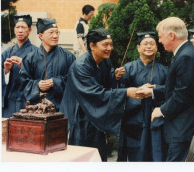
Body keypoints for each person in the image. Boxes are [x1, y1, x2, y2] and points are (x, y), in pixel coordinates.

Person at [60, 28, 141, 162]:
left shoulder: (105, 61)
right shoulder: (80, 66)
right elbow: (96, 93)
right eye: (105, 45)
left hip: (95, 116)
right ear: (92, 45)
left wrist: (113, 76)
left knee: (99, 157)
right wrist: (126, 92)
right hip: (79, 116)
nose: (110, 48)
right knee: (82, 158)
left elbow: (105, 83)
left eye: (111, 44)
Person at [147, 17, 194, 162]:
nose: (160, 41)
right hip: (184, 128)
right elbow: (182, 87)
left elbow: (182, 95)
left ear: (171, 36)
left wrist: (160, 110)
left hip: (183, 129)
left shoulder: (186, 57)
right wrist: (153, 90)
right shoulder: (186, 53)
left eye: (161, 37)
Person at [117, 32, 168, 162]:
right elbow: (118, 93)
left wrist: (155, 90)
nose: (149, 47)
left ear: (156, 47)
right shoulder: (127, 69)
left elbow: (170, 92)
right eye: (145, 44)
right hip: (133, 122)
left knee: (155, 156)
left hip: (154, 121)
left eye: (152, 44)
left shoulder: (164, 70)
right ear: (138, 47)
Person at [19, 18, 75, 111]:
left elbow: (75, 80)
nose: (55, 36)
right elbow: (22, 83)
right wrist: (37, 85)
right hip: (38, 109)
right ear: (41, 35)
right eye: (51, 32)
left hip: (62, 108)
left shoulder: (68, 57)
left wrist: (56, 82)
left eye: (57, 32)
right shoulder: (30, 58)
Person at [2, 15, 38, 118]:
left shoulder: (36, 52)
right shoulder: (7, 52)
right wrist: (5, 71)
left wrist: (24, 65)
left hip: (27, 101)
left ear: (30, 30)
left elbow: (41, 75)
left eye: (23, 27)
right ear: (14, 30)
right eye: (18, 27)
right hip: (9, 101)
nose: (20, 30)